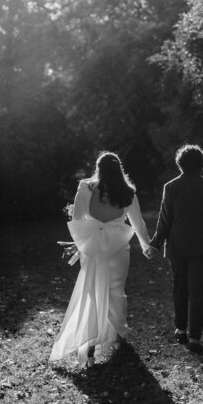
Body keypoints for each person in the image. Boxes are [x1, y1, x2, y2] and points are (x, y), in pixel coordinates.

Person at [49, 151, 154, 368]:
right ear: (119, 169)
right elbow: (138, 223)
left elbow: (77, 219)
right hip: (117, 249)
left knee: (92, 294)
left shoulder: (86, 188)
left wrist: (83, 242)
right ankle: (117, 336)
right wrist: (146, 245)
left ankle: (89, 347)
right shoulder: (128, 193)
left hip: (93, 249)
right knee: (116, 291)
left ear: (98, 168)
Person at [150, 144, 203, 354]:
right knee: (198, 292)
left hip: (177, 245)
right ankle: (195, 339)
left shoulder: (171, 187)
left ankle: (180, 329)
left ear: (180, 163)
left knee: (180, 288)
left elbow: (165, 219)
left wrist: (155, 244)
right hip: (202, 245)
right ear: (202, 163)